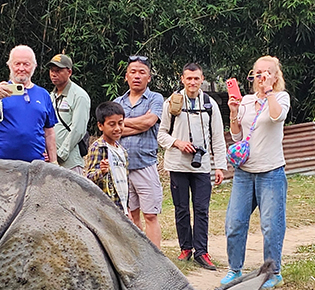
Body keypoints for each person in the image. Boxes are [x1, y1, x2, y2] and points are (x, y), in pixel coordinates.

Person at [222, 56, 289, 290]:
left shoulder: (281, 97)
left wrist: (269, 91)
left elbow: (275, 116)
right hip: (244, 172)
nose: (260, 77)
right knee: (234, 222)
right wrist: (233, 112)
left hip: (271, 171)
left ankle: (273, 273)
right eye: (257, 73)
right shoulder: (247, 101)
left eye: (266, 73)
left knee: (271, 225)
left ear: (275, 75)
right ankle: (234, 269)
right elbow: (238, 136)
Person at [158, 63, 227, 270]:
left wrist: (220, 166)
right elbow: (161, 134)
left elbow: (217, 137)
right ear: (182, 79)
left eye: (196, 78)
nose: (192, 82)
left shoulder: (209, 103)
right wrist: (178, 143)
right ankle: (185, 248)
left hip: (202, 165)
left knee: (201, 209)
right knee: (181, 209)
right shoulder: (172, 102)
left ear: (202, 79)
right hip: (177, 163)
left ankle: (202, 251)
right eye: (189, 78)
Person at [112, 56, 165, 246]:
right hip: (122, 167)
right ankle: (137, 255)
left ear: (149, 78)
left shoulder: (155, 98)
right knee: (130, 213)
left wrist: (121, 124)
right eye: (133, 72)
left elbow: (150, 121)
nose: (137, 76)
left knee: (150, 214)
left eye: (142, 72)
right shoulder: (118, 101)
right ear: (126, 76)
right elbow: (112, 131)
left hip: (145, 165)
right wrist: (139, 124)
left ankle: (156, 258)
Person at [0, 45, 57, 162]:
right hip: (0, 161)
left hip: (34, 164)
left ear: (34, 66)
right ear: (9, 65)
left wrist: (54, 161)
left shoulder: (43, 94)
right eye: (17, 64)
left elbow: (49, 132)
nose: (21, 68)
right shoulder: (0, 90)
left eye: (26, 64)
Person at [83, 102, 130, 213]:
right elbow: (88, 179)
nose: (117, 128)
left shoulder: (122, 150)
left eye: (120, 123)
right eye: (112, 124)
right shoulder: (98, 148)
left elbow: (125, 180)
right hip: (106, 207)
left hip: (121, 205)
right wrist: (102, 172)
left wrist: (127, 206)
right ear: (100, 126)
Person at [49, 54, 91, 170]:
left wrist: (60, 154)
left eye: (58, 70)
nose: (54, 74)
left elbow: (78, 129)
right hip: (51, 161)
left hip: (70, 162)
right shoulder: (51, 96)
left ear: (69, 72)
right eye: (52, 70)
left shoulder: (79, 96)